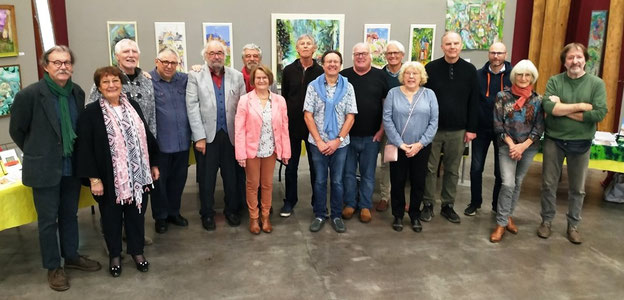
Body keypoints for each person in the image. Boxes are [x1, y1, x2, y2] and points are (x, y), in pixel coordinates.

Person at [9, 45, 101, 291]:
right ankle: (53, 266)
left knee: (70, 215)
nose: (63, 67)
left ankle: (71, 256)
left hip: (72, 167)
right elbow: (17, 131)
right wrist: (39, 152)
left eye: (67, 62)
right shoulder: (29, 95)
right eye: (57, 62)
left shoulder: (77, 93)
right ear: (46, 65)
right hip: (45, 169)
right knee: (48, 221)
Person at [75, 66, 159, 277]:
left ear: (121, 83)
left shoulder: (134, 107)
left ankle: (137, 252)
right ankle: (114, 254)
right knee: (111, 218)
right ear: (99, 87)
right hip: (108, 177)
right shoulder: (90, 113)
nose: (111, 85)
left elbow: (147, 137)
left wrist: (154, 164)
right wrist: (94, 179)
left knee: (137, 215)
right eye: (106, 82)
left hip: (138, 175)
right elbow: (84, 148)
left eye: (115, 81)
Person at [538, 43, 607, 244]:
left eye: (578, 57)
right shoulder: (555, 81)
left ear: (585, 59)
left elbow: (599, 113)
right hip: (554, 140)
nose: (574, 61)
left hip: (581, 143)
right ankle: (546, 221)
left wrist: (563, 108)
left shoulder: (596, 84)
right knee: (548, 184)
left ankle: (573, 225)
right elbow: (549, 108)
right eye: (570, 58)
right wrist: (580, 107)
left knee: (578, 188)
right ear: (564, 61)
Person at [186, 40, 247, 231]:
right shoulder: (195, 76)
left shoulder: (236, 76)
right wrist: (199, 137)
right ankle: (207, 213)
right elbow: (192, 106)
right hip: (207, 136)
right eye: (212, 53)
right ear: (205, 56)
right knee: (206, 178)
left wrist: (242, 136)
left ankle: (232, 210)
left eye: (220, 53)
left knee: (232, 177)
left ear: (225, 55)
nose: (216, 56)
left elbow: (243, 106)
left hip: (231, 135)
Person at [422, 31, 479, 224]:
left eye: (455, 43)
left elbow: (474, 101)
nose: (452, 47)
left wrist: (471, 128)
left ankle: (448, 205)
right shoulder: (431, 68)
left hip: (458, 130)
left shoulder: (470, 70)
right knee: (429, 168)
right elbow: (423, 99)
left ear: (461, 46)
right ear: (442, 47)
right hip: (432, 129)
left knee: (452, 169)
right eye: (448, 44)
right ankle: (428, 204)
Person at [489, 60, 544, 243]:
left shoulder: (537, 100)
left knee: (518, 182)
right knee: (508, 183)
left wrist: (523, 146)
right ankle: (501, 223)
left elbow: (538, 128)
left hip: (528, 147)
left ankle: (507, 217)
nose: (523, 78)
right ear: (514, 76)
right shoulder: (502, 96)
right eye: (520, 74)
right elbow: (498, 125)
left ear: (532, 78)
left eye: (527, 75)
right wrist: (513, 145)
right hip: (507, 146)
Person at [304, 50, 357, 233]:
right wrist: (319, 141)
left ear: (340, 65)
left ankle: (336, 215)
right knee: (319, 181)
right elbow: (308, 115)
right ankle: (319, 214)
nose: (332, 64)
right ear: (323, 64)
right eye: (329, 61)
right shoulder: (313, 86)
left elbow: (350, 117)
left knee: (337, 181)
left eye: (336, 61)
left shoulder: (348, 87)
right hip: (317, 143)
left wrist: (337, 140)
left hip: (340, 144)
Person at [383, 61, 438, 232]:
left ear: (421, 76)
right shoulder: (393, 93)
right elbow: (387, 119)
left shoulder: (429, 94)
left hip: (421, 147)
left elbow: (434, 122)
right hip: (398, 146)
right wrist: (400, 143)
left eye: (415, 73)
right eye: (408, 73)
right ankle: (398, 215)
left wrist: (420, 144)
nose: (411, 76)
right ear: (403, 76)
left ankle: (415, 215)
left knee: (418, 181)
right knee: (397, 181)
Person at [235, 65, 291, 234]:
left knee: (267, 185)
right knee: (252, 185)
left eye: (264, 77)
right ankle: (254, 218)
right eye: (258, 78)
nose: (261, 80)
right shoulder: (245, 100)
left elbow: (284, 127)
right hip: (251, 150)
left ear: (270, 80)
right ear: (253, 81)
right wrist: (240, 154)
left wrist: (286, 152)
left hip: (270, 150)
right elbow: (239, 129)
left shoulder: (279, 101)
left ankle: (265, 217)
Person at [340, 42, 389, 222]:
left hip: (372, 136)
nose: (360, 57)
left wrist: (382, 130)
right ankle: (350, 204)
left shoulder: (380, 76)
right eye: (357, 54)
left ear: (370, 56)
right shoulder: (343, 76)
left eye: (364, 53)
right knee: (348, 173)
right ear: (353, 56)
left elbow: (386, 106)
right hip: (347, 136)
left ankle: (365, 206)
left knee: (368, 174)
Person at [280, 34, 324, 217]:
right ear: (297, 48)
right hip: (292, 127)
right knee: (291, 166)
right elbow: (284, 97)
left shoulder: (321, 72)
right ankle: (290, 200)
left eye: (309, 44)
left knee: (316, 167)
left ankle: (317, 202)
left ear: (314, 48)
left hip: (314, 127)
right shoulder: (288, 70)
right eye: (302, 44)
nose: (305, 46)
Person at [465, 42, 511, 216]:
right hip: (481, 128)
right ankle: (475, 203)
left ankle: (496, 205)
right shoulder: (478, 75)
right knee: (476, 168)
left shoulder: (514, 76)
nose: (496, 56)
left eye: (499, 53)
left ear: (505, 54)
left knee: (500, 171)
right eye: (493, 53)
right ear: (488, 54)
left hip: (504, 132)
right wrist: (471, 126)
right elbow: (472, 102)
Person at [149, 47, 191, 234]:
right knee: (159, 183)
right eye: (165, 62)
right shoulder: (148, 81)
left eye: (173, 62)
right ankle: (161, 216)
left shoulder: (183, 79)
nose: (168, 66)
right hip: (161, 144)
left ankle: (174, 212)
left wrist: (197, 68)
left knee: (178, 180)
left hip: (182, 142)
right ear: (156, 61)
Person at [376, 40, 406, 212]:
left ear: (402, 55)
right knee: (387, 161)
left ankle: (400, 198)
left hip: (408, 126)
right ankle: (384, 197)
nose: (392, 56)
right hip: (386, 124)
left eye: (396, 53)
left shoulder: (410, 73)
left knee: (405, 164)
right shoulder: (380, 75)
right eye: (389, 53)